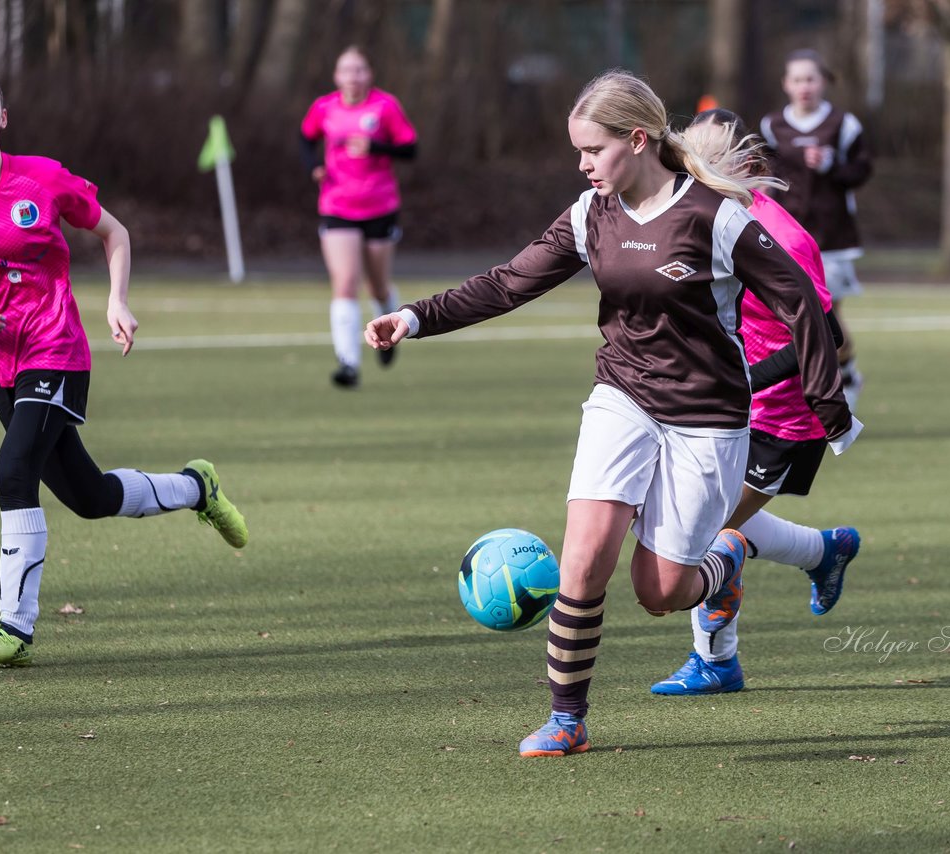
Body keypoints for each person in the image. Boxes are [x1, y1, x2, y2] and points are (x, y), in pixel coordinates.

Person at [365, 70, 859, 757]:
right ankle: (567, 719)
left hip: (708, 418)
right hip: (621, 397)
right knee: (584, 559)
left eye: (592, 150)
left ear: (637, 139)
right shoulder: (588, 214)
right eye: (578, 152)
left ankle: (732, 554)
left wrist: (830, 406)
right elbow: (509, 282)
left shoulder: (715, 218)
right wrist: (415, 318)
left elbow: (802, 301)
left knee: (660, 591)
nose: (582, 165)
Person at [0, 66, 248, 668]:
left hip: (55, 347)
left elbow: (114, 233)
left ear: (5, 117)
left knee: (13, 472)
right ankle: (197, 486)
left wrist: (117, 299)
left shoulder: (43, 178)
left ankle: (14, 629)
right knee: (87, 495)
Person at [649, 108, 861, 697]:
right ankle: (824, 550)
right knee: (695, 519)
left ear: (747, 167)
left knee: (704, 532)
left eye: (704, 171)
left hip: (784, 419)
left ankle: (717, 662)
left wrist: (747, 377)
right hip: (727, 407)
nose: (690, 183)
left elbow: (825, 337)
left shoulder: (783, 237)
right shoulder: (712, 219)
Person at [760, 49, 872, 411]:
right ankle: (799, 390)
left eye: (810, 78)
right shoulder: (771, 126)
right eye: (797, 79)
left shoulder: (844, 125)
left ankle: (847, 373)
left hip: (831, 237)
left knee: (828, 316)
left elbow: (862, 172)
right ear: (786, 85)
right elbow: (765, 174)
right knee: (786, 316)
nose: (804, 86)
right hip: (785, 237)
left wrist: (832, 165)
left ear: (822, 82)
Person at [300, 46, 417, 388]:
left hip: (380, 206)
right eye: (346, 70)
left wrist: (376, 147)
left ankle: (389, 324)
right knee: (346, 281)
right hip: (337, 206)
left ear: (370, 74)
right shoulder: (324, 107)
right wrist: (315, 167)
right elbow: (305, 139)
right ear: (337, 76)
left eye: (359, 70)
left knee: (377, 285)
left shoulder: (385, 107)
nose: (353, 76)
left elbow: (410, 149)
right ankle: (348, 362)